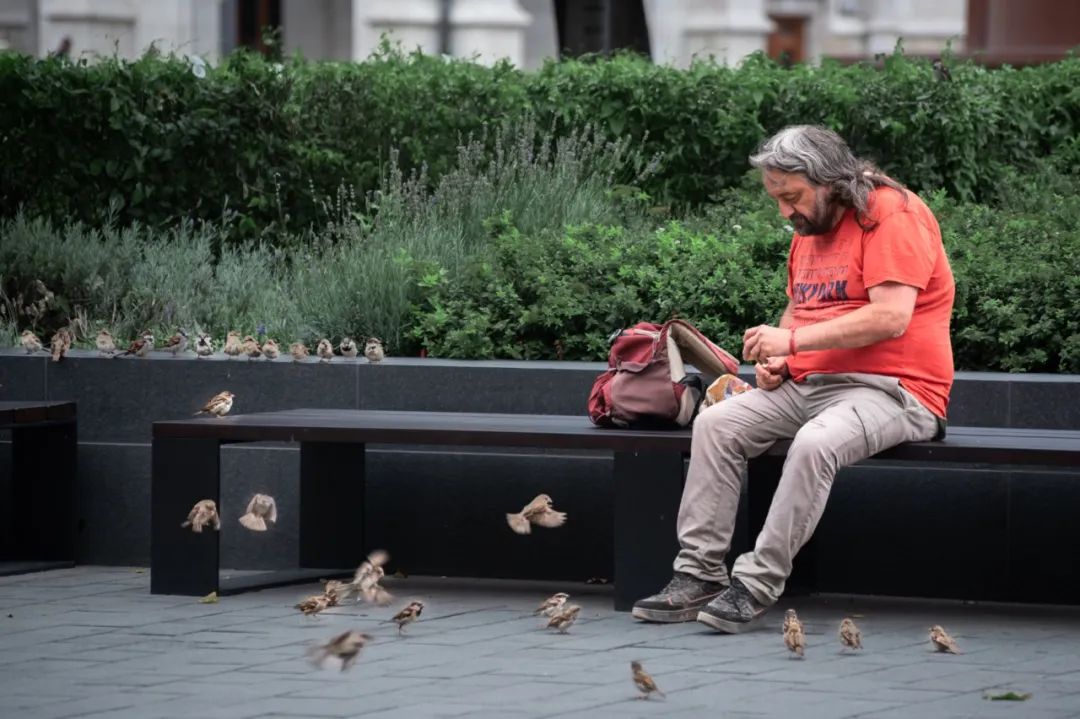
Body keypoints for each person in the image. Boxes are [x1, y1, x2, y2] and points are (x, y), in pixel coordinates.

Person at [632, 125, 955, 633]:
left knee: (815, 443)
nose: (785, 211)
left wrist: (794, 345)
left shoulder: (892, 214)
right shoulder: (810, 233)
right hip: (811, 385)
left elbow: (891, 316)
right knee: (716, 426)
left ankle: (756, 585)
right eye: (777, 199)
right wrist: (779, 359)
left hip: (896, 390)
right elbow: (800, 311)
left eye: (792, 196)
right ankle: (699, 575)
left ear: (828, 180)